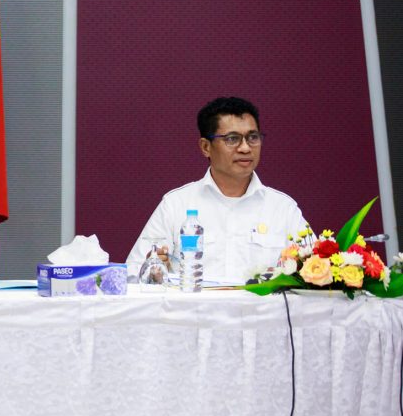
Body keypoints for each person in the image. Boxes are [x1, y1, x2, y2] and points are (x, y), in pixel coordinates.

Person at [126, 97, 306, 284]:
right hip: (194, 303)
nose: (245, 148)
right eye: (232, 139)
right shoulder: (176, 204)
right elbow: (132, 274)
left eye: (253, 137)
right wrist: (153, 271)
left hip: (263, 305)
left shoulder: (283, 208)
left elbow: (314, 271)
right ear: (206, 147)